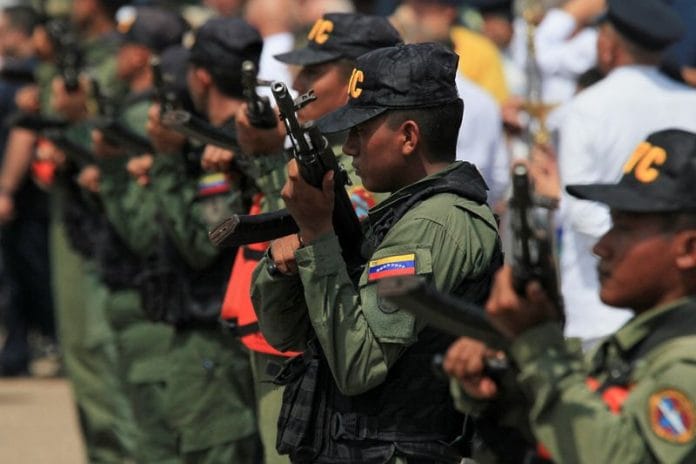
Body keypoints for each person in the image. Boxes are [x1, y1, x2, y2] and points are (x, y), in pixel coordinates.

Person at [251, 42, 502, 463]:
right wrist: (284, 268)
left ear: (408, 137)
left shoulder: (436, 222)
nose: (349, 147)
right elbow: (284, 333)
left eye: (361, 131)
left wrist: (318, 236)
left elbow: (358, 365)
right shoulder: (397, 215)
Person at [446, 128, 696, 463]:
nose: (601, 246)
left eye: (624, 229)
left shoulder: (686, 362)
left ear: (688, 248)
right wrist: (498, 383)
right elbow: (568, 432)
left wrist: (538, 344)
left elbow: (617, 457)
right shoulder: (638, 346)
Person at [228, 13, 401, 463]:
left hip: (331, 350)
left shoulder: (371, 169)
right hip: (288, 337)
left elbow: (308, 232)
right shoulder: (313, 146)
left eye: (314, 72)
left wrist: (270, 159)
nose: (297, 82)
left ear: (357, 80)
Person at [551, 0, 696, 345]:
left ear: (607, 46)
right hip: (677, 307)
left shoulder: (585, 107)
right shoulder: (691, 102)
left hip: (598, 311)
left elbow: (580, 210)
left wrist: (626, 243)